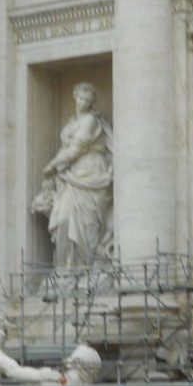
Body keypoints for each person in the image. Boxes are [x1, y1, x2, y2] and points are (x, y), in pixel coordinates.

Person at [34, 82, 114, 268]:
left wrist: (52, 165)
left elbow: (76, 149)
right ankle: (67, 269)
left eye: (87, 99)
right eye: (80, 97)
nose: (83, 101)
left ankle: (89, 267)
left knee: (88, 223)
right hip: (71, 176)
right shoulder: (72, 122)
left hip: (91, 173)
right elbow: (68, 150)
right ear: (74, 97)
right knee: (63, 219)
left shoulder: (90, 121)